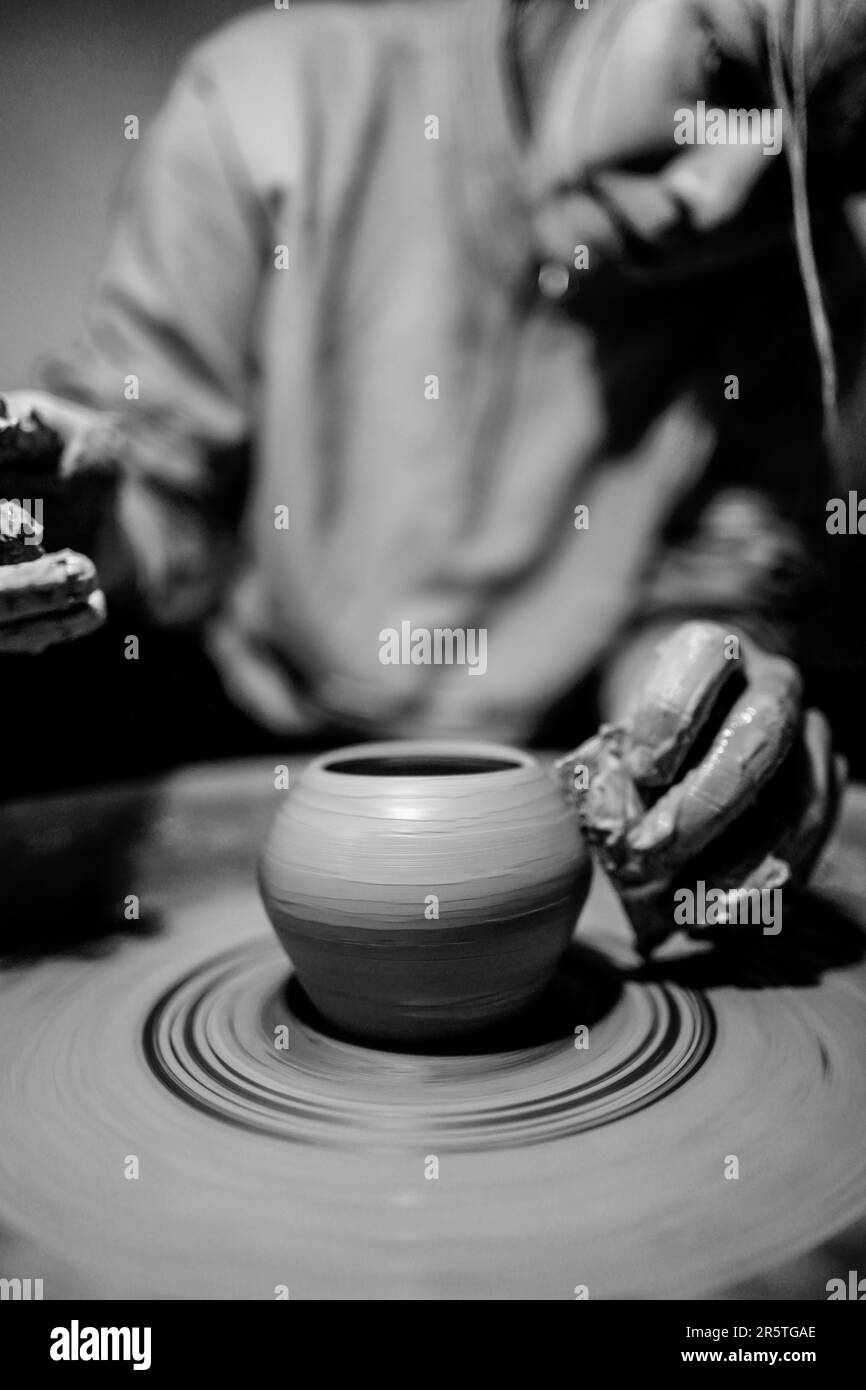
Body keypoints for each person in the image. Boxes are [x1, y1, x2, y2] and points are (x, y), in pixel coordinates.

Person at [1, 0, 864, 944]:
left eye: (833, 159)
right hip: (251, 723)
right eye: (726, 75)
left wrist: (706, 716)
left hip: (559, 765)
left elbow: (707, 591)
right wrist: (71, 525)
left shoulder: (803, 280)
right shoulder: (274, 102)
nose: (722, 195)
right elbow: (168, 506)